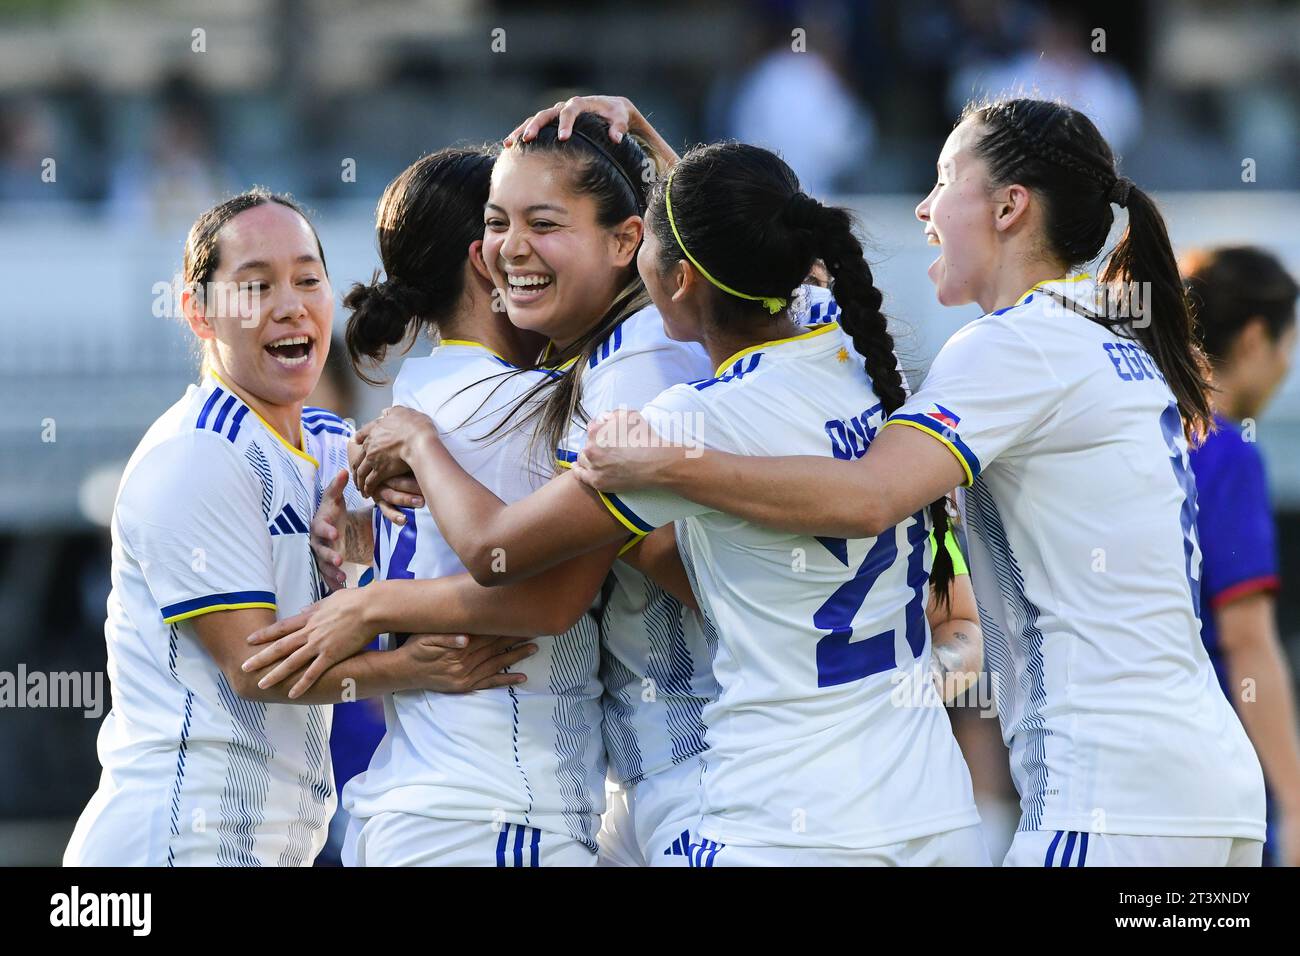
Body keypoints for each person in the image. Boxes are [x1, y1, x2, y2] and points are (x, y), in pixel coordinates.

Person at [572, 98, 1268, 867]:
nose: (924, 207)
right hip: (1206, 790)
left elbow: (870, 497)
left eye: (945, 180)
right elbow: (755, 259)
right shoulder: (1101, 333)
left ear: (1009, 207)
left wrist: (670, 466)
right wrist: (668, 170)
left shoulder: (1011, 348)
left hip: (1112, 798)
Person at [260, 138, 989, 866]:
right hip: (920, 797)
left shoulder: (655, 401)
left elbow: (515, 561)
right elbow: (748, 231)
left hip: (738, 793)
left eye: (543, 223)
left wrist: (385, 563)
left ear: (649, 256)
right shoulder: (843, 345)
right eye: (497, 223)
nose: (512, 248)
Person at [63, 189, 529, 867]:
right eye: (255, 285)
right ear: (198, 310)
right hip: (177, 839)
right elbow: (256, 668)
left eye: (308, 278)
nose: (290, 303)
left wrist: (373, 536)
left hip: (270, 841)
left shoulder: (330, 441)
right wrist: (412, 667)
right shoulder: (195, 454)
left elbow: (443, 536)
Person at [1183, 245, 1300, 867]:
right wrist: (1297, 801)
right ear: (1255, 339)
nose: (1286, 368)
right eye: (1287, 348)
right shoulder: (1225, 453)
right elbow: (1246, 636)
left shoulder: (1142, 433)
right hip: (1218, 779)